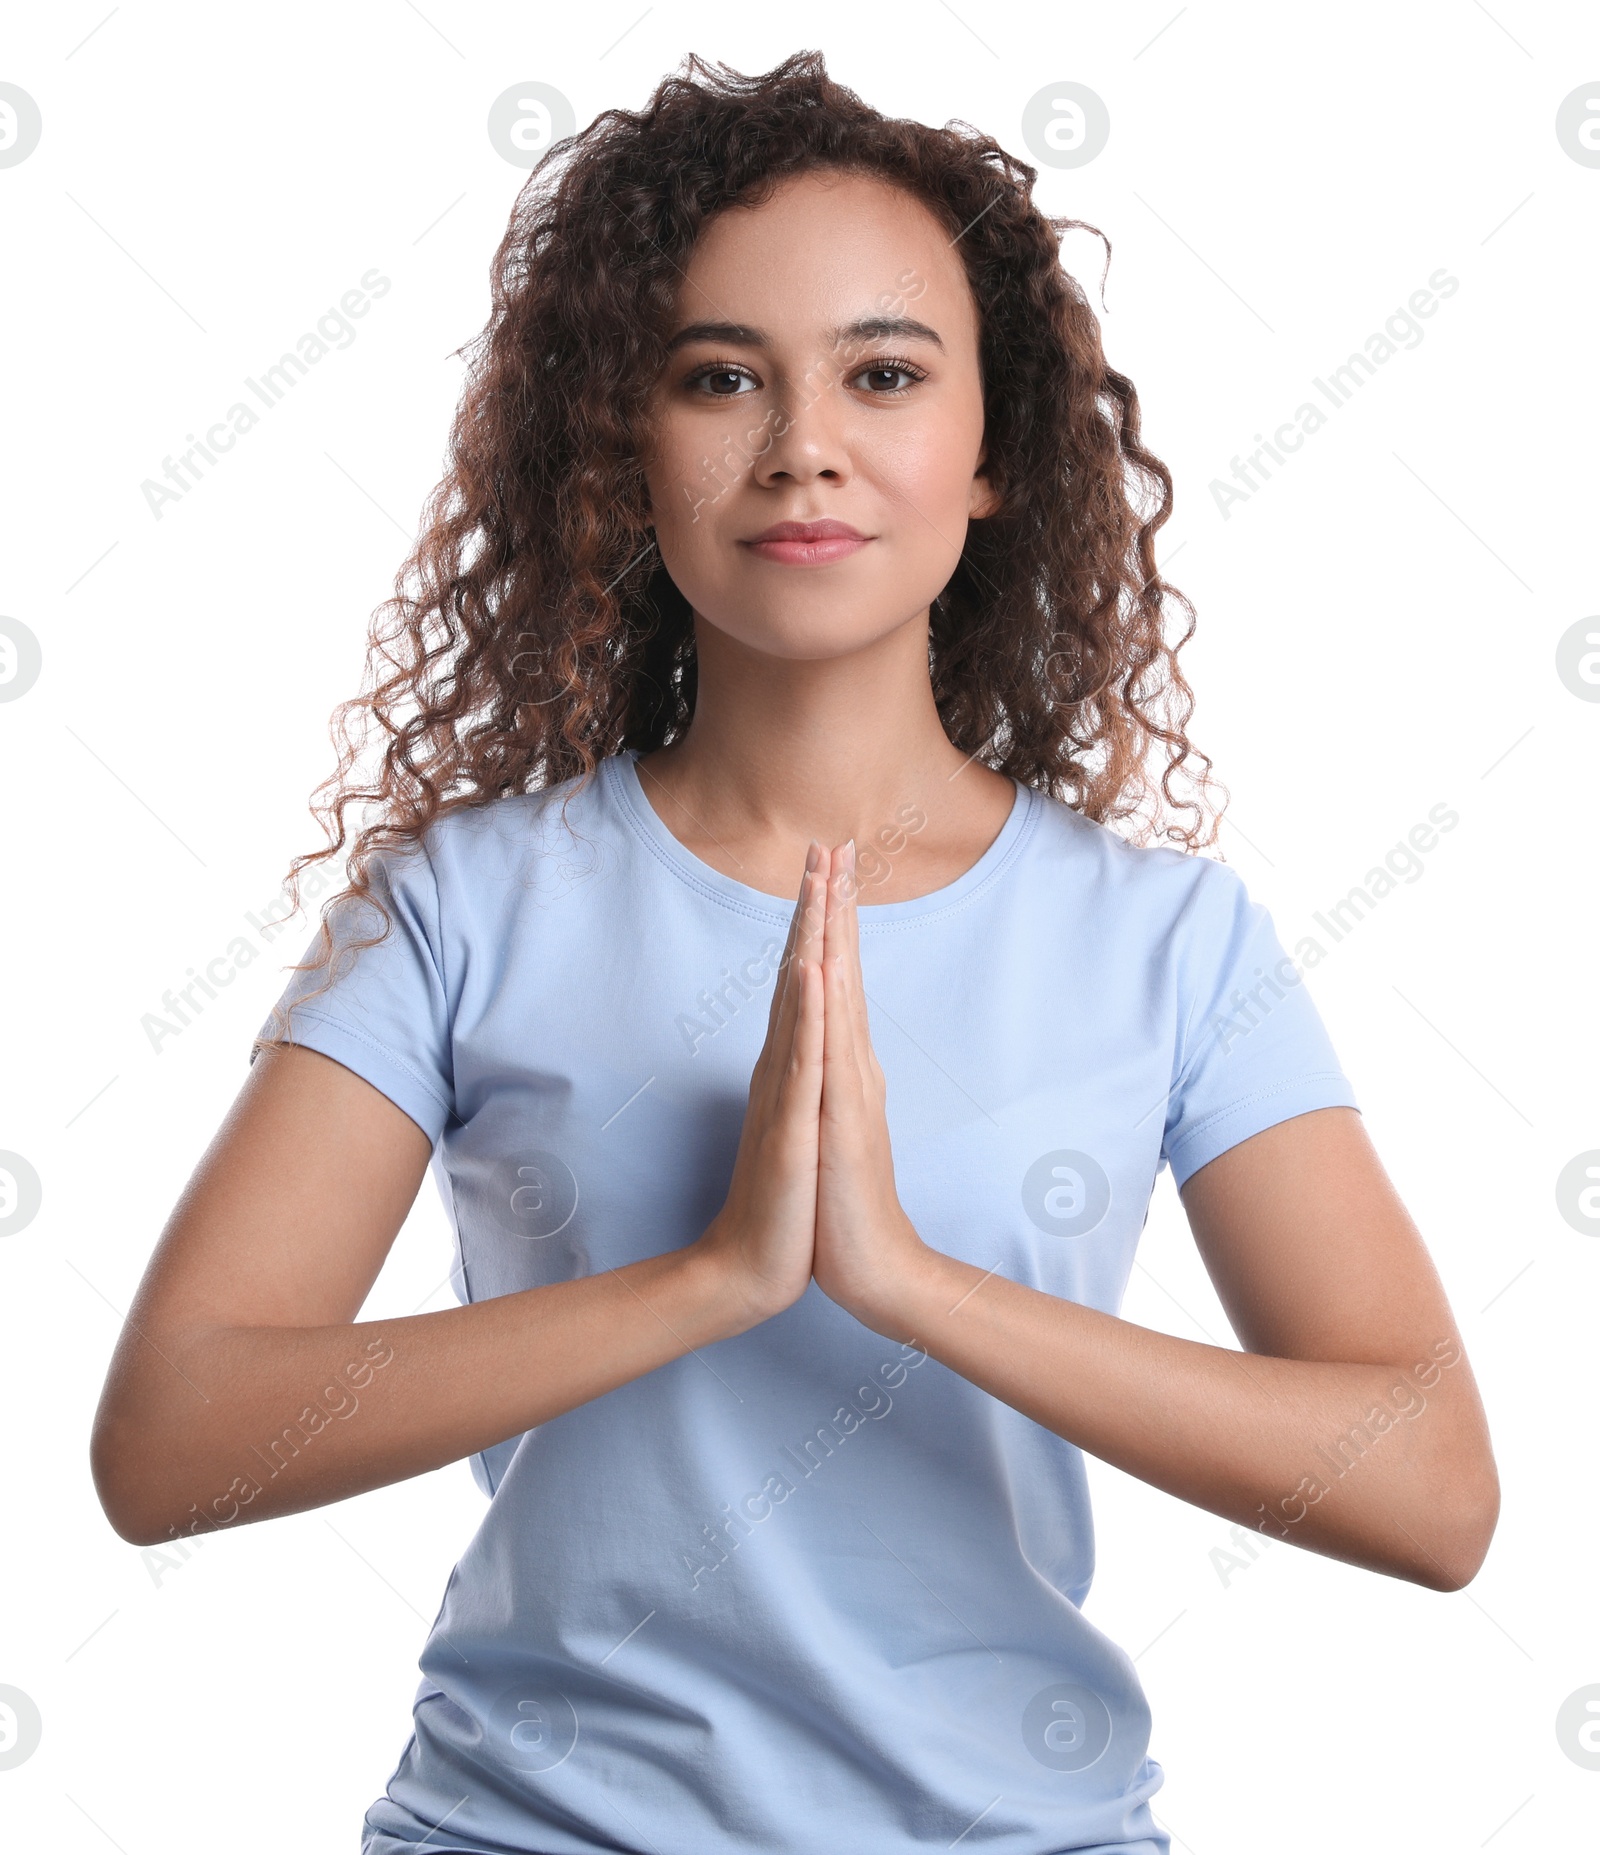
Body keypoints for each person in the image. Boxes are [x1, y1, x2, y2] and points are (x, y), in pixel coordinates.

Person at [90, 51, 1499, 1855]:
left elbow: (1433, 1489)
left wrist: (904, 1279)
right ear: (627, 443)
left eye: (885, 374)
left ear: (992, 461)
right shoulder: (460, 904)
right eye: (719, 378)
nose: (803, 444)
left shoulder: (1164, 939)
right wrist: (712, 1279)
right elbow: (173, 1437)